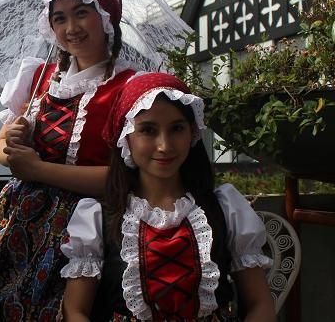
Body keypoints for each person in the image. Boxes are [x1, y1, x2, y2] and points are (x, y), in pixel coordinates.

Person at [0, 0, 141, 320]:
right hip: (20, 216)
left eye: (82, 13)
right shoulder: (37, 77)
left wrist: (38, 169)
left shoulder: (130, 88)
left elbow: (124, 178)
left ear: (106, 18)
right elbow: (1, 147)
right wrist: (10, 145)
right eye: (60, 18)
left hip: (91, 224)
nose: (71, 28)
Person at [59, 72, 276, 321]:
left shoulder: (225, 209)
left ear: (192, 133)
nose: (164, 145)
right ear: (126, 137)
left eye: (177, 128)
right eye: (148, 130)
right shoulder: (97, 218)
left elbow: (260, 304)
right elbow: (75, 311)